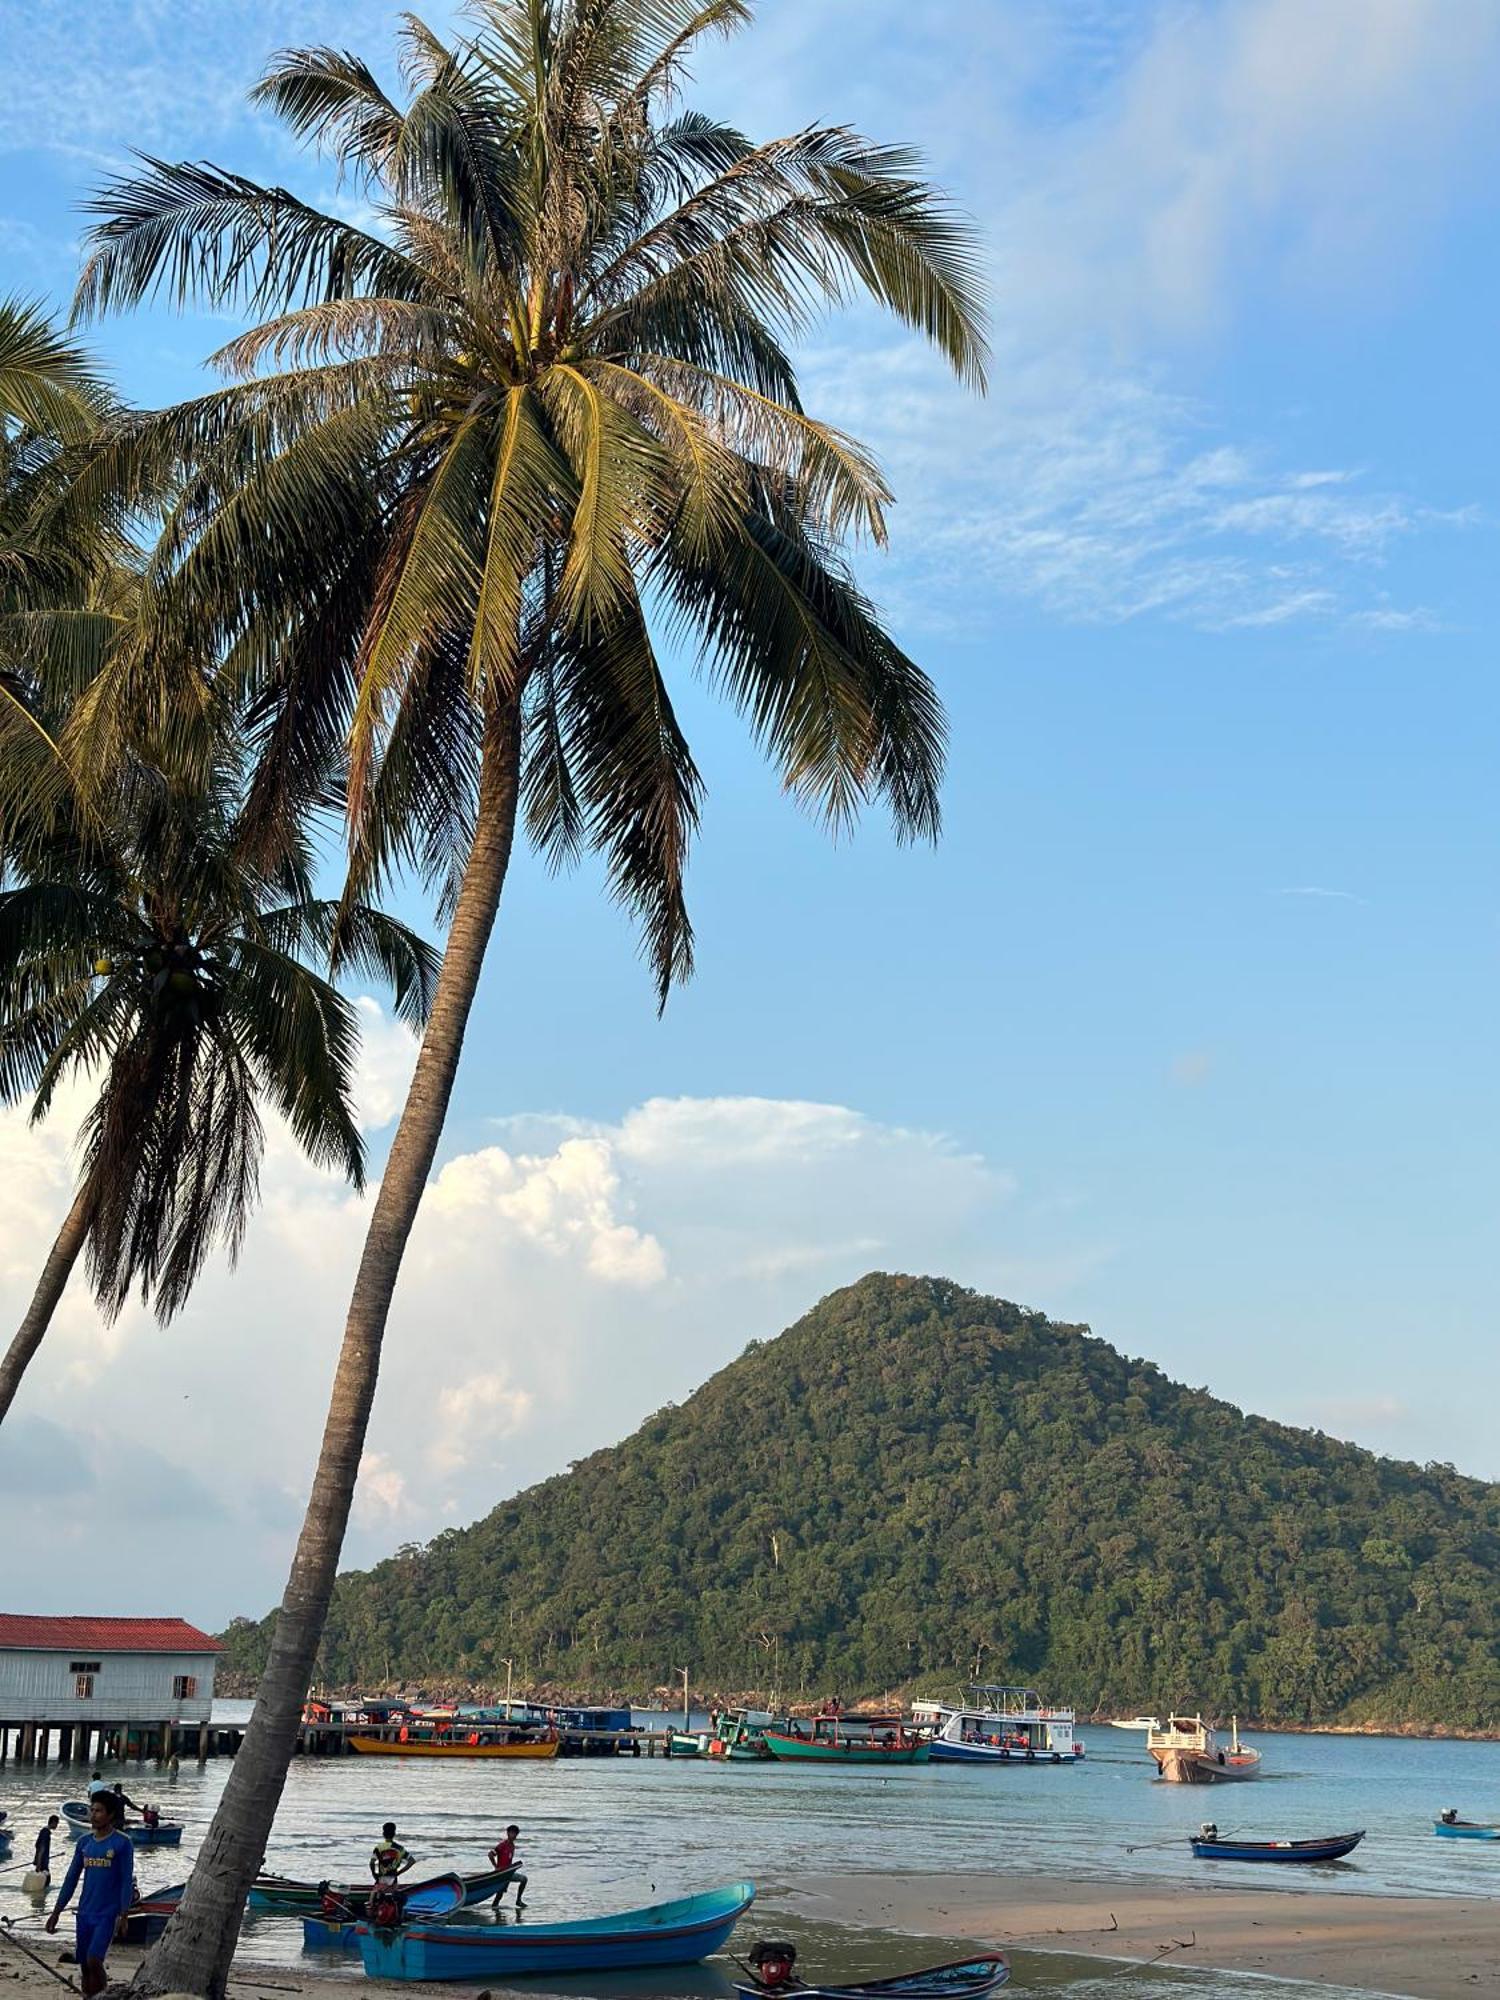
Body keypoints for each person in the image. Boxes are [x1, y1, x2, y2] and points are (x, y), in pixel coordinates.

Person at [45, 1795, 135, 1998]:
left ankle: (102, 1996)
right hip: (85, 1912)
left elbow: (125, 1881)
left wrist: (124, 1915)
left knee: (95, 1960)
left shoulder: (122, 1843)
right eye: (92, 1810)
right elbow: (71, 1879)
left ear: (110, 1815)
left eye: (99, 1811)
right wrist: (56, 1912)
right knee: (84, 1963)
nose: (93, 1815)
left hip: (107, 1914)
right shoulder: (84, 1842)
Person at [488, 1825, 527, 1910]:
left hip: (508, 1873)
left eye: (515, 1834)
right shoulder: (502, 1845)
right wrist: (496, 1867)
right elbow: (490, 1855)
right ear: (508, 1833)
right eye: (512, 1833)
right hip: (502, 1873)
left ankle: (518, 1900)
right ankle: (495, 1907)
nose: (514, 1835)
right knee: (500, 1894)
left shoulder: (512, 1846)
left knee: (523, 1880)